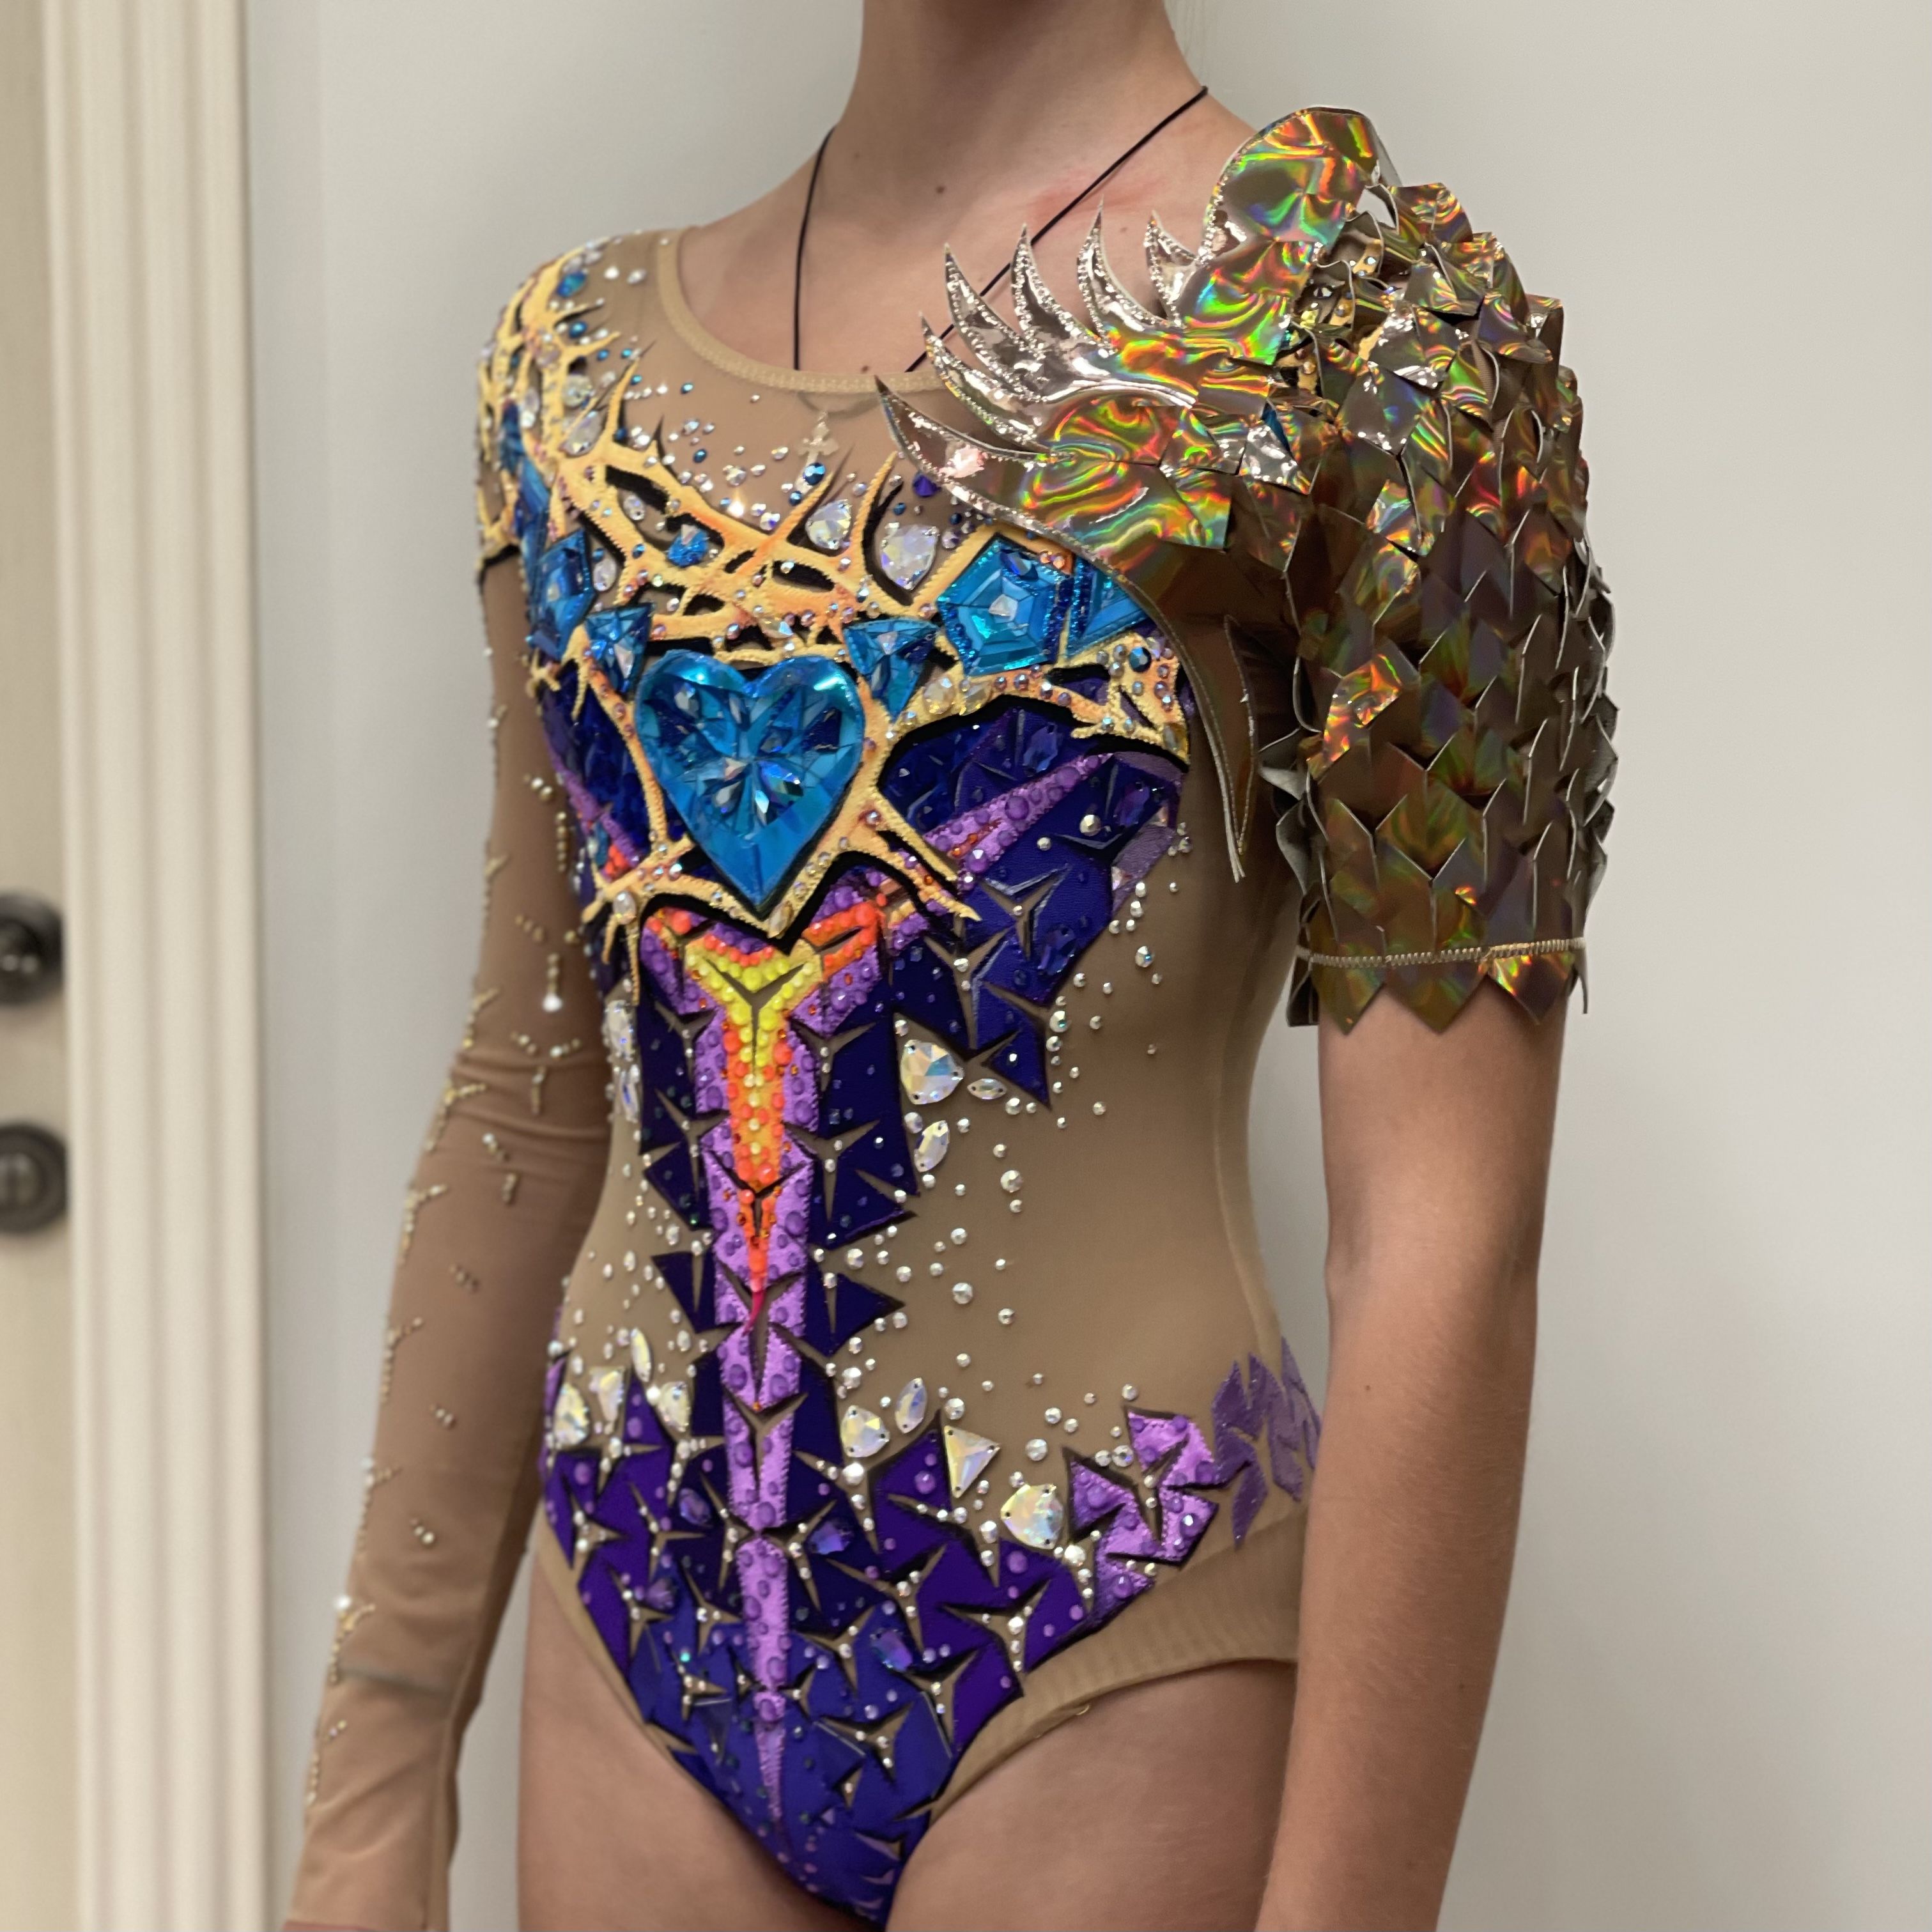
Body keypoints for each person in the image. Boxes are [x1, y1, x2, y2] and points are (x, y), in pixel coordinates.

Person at [288, 3, 1613, 1927]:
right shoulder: (567, 377)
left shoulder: (1385, 355)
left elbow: (1443, 1245)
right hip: (628, 1617)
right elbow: (529, 1084)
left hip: (1106, 1624)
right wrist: (371, 1788)